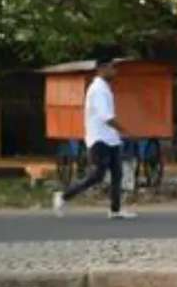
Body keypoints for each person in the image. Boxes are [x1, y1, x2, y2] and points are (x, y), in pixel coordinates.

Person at [53, 56, 137, 219]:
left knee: (117, 175)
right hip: (99, 139)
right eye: (111, 68)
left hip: (111, 139)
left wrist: (118, 134)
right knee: (97, 176)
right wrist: (125, 130)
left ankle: (115, 210)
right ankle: (63, 196)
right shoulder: (98, 89)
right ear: (101, 69)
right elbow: (106, 117)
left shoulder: (104, 87)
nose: (114, 71)